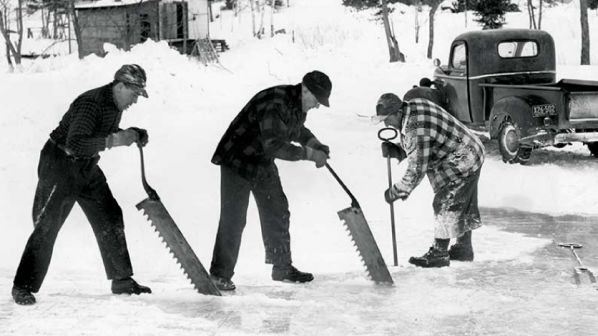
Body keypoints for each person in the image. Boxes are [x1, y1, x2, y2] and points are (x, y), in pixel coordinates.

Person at [11, 64, 153, 305]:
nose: (135, 101)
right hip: (60, 163)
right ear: (120, 86)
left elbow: (98, 135)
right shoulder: (92, 103)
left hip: (85, 166)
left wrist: (132, 133)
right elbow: (75, 143)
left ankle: (121, 279)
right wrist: (116, 140)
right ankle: (22, 286)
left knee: (109, 213)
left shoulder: (114, 104)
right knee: (48, 225)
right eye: (134, 94)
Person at [209, 70, 332, 290]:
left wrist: (315, 144)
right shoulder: (276, 102)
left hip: (261, 161)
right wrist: (310, 155)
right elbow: (275, 145)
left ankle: (282, 267)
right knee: (234, 218)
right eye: (317, 100)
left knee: (277, 209)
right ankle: (219, 275)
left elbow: (296, 129)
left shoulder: (296, 104)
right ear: (305, 90)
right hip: (238, 159)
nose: (317, 106)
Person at [373, 93, 485, 268]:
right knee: (462, 203)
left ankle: (439, 253)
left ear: (397, 113)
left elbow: (417, 169)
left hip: (462, 159)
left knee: (445, 202)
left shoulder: (414, 129)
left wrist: (398, 190)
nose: (386, 124)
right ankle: (463, 248)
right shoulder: (413, 105)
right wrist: (399, 150)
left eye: (387, 119)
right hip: (470, 150)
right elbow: (426, 139)